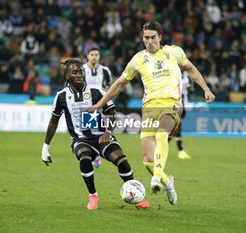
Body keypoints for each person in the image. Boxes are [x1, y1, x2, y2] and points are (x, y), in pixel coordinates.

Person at [90, 20, 215, 205]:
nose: (149, 41)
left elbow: (190, 69)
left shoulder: (174, 52)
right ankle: (167, 181)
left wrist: (205, 88)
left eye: (153, 37)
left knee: (162, 134)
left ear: (160, 37)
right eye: (146, 38)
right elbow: (119, 84)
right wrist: (100, 103)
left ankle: (156, 178)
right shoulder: (138, 59)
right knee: (148, 162)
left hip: (171, 104)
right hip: (149, 109)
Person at [41, 59, 149, 209]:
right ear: (67, 76)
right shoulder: (61, 96)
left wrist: (108, 132)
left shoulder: (96, 91)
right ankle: (93, 196)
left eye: (81, 72)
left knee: (122, 161)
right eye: (74, 72)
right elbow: (53, 121)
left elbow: (112, 113)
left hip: (101, 137)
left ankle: (135, 194)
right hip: (81, 139)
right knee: (85, 159)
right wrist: (45, 148)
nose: (79, 75)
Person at [83, 47, 113, 168]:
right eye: (92, 54)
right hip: (88, 105)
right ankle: (94, 156)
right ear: (88, 56)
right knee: (90, 133)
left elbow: (110, 84)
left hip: (102, 104)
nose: (94, 57)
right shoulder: (82, 69)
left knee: (101, 130)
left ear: (99, 57)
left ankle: (96, 155)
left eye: (96, 54)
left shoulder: (105, 70)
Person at [168, 70, 191, 159]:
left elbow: (190, 87)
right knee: (177, 128)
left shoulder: (186, 74)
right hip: (176, 104)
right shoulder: (172, 72)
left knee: (174, 130)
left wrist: (190, 87)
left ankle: (158, 146)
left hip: (184, 104)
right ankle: (181, 151)